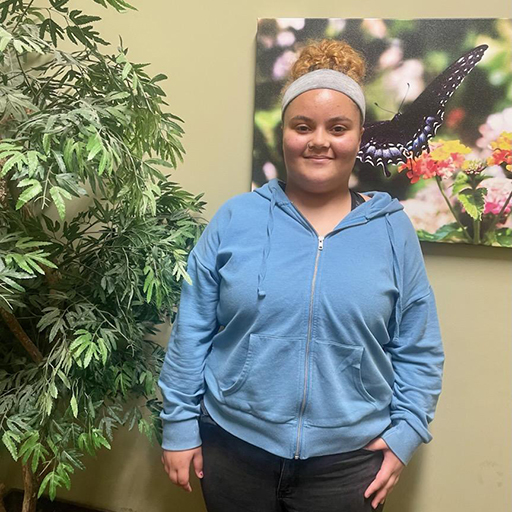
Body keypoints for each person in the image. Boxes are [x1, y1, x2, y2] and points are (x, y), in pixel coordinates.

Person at [158, 38, 445, 512]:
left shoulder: (393, 231)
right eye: (302, 126)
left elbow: (418, 345)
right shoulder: (236, 219)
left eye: (338, 127)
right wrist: (179, 426)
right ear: (284, 133)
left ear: (359, 136)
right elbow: (192, 329)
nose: (319, 141)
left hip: (349, 464)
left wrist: (407, 432)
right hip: (233, 449)